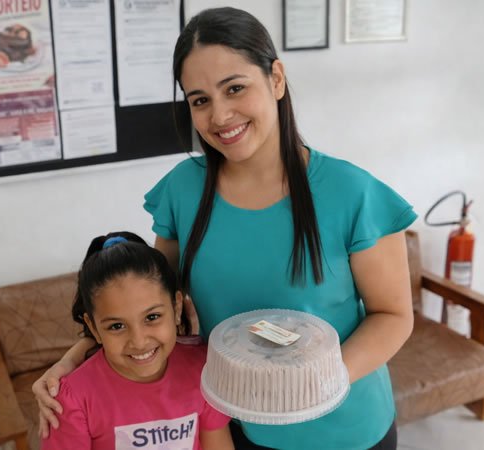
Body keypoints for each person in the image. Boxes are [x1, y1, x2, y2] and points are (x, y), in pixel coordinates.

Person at [35, 7, 415, 450]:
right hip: (230, 428)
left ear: (275, 79)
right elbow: (154, 307)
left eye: (235, 88)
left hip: (345, 430)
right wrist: (73, 358)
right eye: (200, 100)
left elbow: (394, 317)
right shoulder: (182, 190)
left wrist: (309, 388)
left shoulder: (353, 193)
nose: (219, 116)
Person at [41, 232, 233, 450]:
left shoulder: (204, 370)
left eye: (152, 317)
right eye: (117, 326)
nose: (139, 341)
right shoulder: (71, 399)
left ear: (177, 307)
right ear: (93, 327)